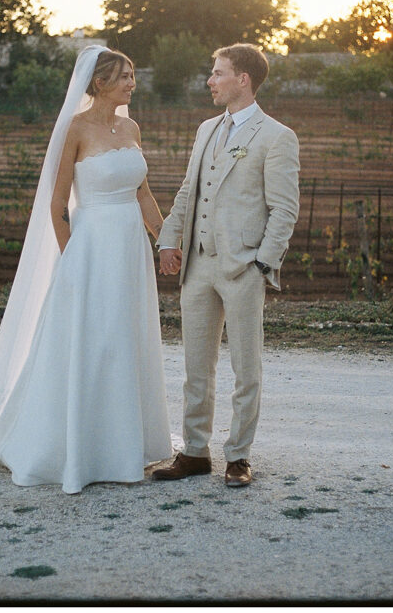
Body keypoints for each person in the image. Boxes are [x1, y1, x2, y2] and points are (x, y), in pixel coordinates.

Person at [0, 46, 173, 494]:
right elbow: (57, 205)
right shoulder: (76, 128)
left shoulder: (131, 128)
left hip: (129, 251)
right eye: (124, 75)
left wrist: (164, 240)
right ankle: (72, 448)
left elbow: (143, 193)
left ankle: (123, 444)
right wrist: (70, 257)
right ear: (99, 83)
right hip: (90, 253)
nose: (133, 82)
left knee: (125, 339)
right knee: (91, 342)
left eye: (133, 74)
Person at [153, 43, 300, 488]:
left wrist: (261, 264)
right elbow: (187, 189)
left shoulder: (277, 136)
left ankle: (238, 456)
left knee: (245, 368)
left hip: (242, 269)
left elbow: (285, 210)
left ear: (244, 80)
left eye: (218, 73)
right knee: (196, 367)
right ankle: (195, 452)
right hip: (198, 267)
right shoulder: (204, 130)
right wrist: (167, 240)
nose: (210, 81)